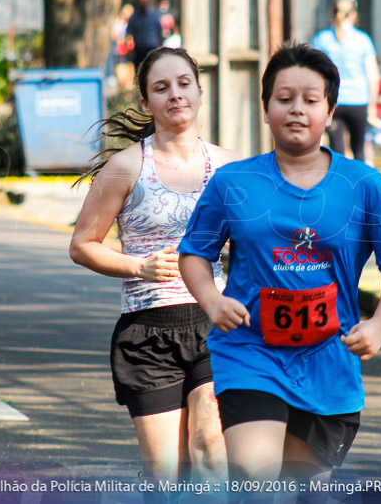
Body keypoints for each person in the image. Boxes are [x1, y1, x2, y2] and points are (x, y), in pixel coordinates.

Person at [178, 44, 381, 481]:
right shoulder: (235, 181)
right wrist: (212, 301)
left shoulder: (365, 185)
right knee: (256, 478)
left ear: (329, 112)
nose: (296, 110)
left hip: (331, 362)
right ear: (266, 108)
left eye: (311, 100)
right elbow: (196, 252)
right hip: (251, 354)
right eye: (284, 98)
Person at [69, 47, 237, 482]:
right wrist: (137, 267)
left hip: (216, 324)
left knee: (211, 448)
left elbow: (251, 245)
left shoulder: (232, 168)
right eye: (161, 88)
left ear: (200, 91)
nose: (175, 95)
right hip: (148, 332)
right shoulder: (126, 167)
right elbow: (83, 245)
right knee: (166, 474)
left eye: (184, 84)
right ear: (146, 102)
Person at [312, 0, 381, 161]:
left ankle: (339, 185)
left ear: (331, 14)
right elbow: (373, 76)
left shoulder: (321, 39)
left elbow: (314, 73)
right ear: (353, 15)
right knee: (359, 150)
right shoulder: (363, 40)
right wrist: (372, 106)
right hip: (359, 100)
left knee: (337, 151)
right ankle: (358, 186)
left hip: (333, 100)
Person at [126, 0, 164, 73]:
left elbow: (159, 31)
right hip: (138, 49)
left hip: (151, 49)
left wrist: (159, 46)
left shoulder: (153, 15)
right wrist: (130, 49)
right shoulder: (134, 16)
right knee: (139, 72)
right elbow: (129, 33)